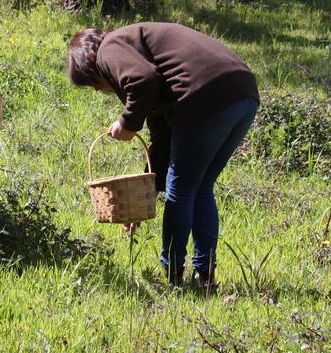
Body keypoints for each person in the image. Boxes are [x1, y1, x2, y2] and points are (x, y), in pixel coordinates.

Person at [66, 22, 260, 289]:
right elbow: (161, 136)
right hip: (243, 93)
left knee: (180, 189)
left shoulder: (108, 49)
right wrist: (145, 190)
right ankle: (205, 277)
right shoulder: (136, 48)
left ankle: (173, 276)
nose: (101, 90)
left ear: (91, 68)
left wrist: (127, 123)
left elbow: (143, 79)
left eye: (94, 85)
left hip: (203, 94)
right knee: (201, 187)